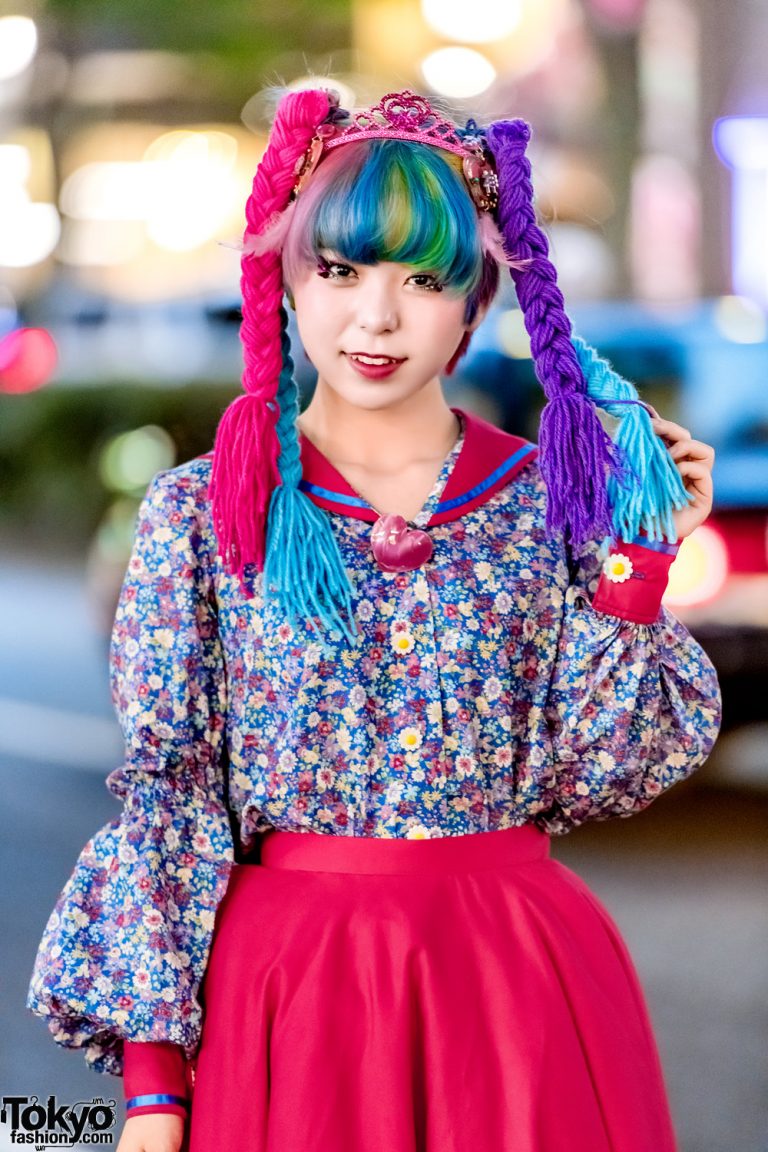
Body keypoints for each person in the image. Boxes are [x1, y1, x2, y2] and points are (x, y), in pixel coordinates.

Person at [27, 87, 721, 1152]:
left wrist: (640, 558)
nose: (377, 317)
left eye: (424, 279)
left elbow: (604, 772)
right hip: (286, 992)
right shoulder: (203, 516)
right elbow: (171, 797)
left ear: (476, 303)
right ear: (288, 282)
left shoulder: (551, 506)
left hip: (514, 985)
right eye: (341, 271)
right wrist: (157, 1097)